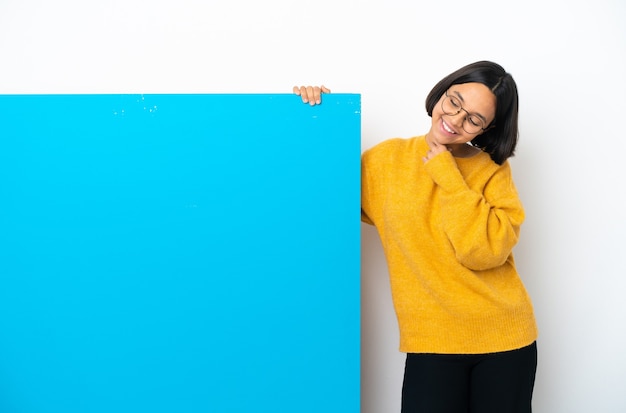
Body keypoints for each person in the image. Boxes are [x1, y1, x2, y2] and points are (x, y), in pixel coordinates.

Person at [294, 61, 538, 413]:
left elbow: (483, 253)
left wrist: (449, 177)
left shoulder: (492, 171)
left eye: (473, 119)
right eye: (454, 101)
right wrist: (318, 121)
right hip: (431, 340)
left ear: (489, 128)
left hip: (502, 338)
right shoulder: (385, 161)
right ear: (443, 91)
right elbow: (322, 199)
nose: (455, 119)